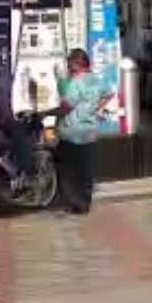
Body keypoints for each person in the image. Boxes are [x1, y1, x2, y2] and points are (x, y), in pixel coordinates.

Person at [55, 49, 106, 215]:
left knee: (68, 169)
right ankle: (85, 204)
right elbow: (110, 93)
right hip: (90, 131)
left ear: (75, 64)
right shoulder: (95, 79)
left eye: (69, 63)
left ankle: (72, 204)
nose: (68, 67)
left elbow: (66, 106)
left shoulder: (76, 82)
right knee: (86, 169)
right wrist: (93, 109)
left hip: (72, 131)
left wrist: (47, 114)